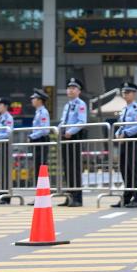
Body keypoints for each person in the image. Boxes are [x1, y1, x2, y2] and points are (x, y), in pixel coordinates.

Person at [115, 81, 137, 208]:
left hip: (132, 141)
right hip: (123, 142)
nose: (125, 94)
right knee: (124, 169)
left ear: (134, 94)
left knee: (134, 169)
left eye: (128, 92)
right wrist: (117, 133)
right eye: (124, 92)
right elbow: (121, 125)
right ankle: (127, 196)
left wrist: (125, 134)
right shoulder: (124, 109)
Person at [59, 78, 87, 207]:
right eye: (69, 88)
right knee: (67, 167)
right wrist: (59, 129)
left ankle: (77, 197)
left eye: (73, 88)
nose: (70, 90)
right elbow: (62, 121)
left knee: (74, 167)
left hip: (74, 137)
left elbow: (81, 122)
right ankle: (69, 196)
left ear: (79, 91)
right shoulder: (67, 105)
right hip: (65, 137)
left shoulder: (80, 104)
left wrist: (70, 131)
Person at [0, 97, 15, 204]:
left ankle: (6, 196)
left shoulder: (8, 118)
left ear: (5, 106)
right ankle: (0, 194)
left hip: (5, 145)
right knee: (0, 171)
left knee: (5, 171)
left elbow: (8, 133)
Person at [28, 89, 52, 182]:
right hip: (37, 140)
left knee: (41, 164)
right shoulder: (38, 112)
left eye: (34, 98)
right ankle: (39, 186)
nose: (32, 100)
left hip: (41, 140)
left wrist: (32, 136)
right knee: (37, 164)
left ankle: (43, 186)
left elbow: (45, 130)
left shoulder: (43, 112)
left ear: (40, 100)